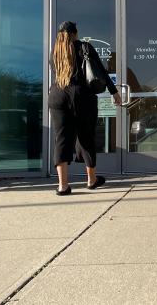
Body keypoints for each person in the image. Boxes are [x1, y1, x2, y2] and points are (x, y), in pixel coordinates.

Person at [49, 21, 120, 195]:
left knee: (62, 139)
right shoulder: (84, 47)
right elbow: (100, 71)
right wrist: (114, 92)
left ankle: (63, 186)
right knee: (86, 136)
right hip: (82, 96)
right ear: (75, 33)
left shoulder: (55, 52)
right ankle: (91, 180)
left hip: (57, 95)